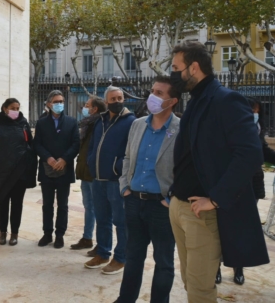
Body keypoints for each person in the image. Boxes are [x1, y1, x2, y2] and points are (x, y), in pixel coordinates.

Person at [168, 41, 269, 303]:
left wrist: (214, 199)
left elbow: (250, 154)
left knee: (201, 290)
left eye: (176, 68)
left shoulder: (226, 100)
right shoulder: (195, 100)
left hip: (202, 214)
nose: (173, 75)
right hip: (179, 207)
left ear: (194, 67)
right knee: (190, 282)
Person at [115, 76, 180, 303]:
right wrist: (124, 187)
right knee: (133, 257)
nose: (152, 96)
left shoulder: (181, 130)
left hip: (161, 206)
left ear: (172, 101)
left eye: (159, 93)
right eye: (152, 91)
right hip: (133, 201)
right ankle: (126, 299)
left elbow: (186, 170)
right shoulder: (137, 124)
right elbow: (127, 158)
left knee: (163, 262)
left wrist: (171, 199)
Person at [216, 96, 275, 286]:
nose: (255, 114)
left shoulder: (256, 130)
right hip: (228, 183)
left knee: (241, 227)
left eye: (257, 111)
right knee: (219, 226)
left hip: (252, 183)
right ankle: (215, 266)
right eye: (252, 111)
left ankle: (238, 267)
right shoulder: (227, 129)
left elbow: (263, 151)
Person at [85, 86, 135, 274]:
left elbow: (133, 151)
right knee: (102, 219)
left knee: (120, 222)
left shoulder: (131, 122)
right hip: (98, 179)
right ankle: (103, 252)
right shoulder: (101, 121)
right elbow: (92, 146)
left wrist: (118, 167)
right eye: (113, 99)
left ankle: (121, 257)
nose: (117, 101)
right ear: (106, 102)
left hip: (116, 181)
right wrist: (91, 161)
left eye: (119, 98)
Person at [0, 98, 37, 246]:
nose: (16, 111)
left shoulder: (23, 124)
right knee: (3, 203)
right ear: (5, 108)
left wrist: (28, 164)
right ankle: (3, 232)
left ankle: (15, 234)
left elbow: (30, 144)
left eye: (18, 108)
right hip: (2, 172)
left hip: (20, 173)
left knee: (17, 204)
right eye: (13, 108)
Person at [33, 90, 80, 249]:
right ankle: (47, 234)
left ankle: (60, 235)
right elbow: (37, 144)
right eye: (56, 101)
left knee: (63, 205)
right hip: (47, 168)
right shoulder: (41, 123)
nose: (59, 104)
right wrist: (49, 158)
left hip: (64, 169)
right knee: (47, 204)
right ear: (48, 104)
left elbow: (75, 144)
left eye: (61, 101)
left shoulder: (72, 122)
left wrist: (64, 159)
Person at [70, 96, 107, 252]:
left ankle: (102, 243)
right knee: (88, 207)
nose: (83, 108)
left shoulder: (100, 125)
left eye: (86, 105)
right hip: (85, 172)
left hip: (94, 173)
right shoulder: (88, 125)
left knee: (99, 209)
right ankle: (87, 238)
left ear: (95, 109)